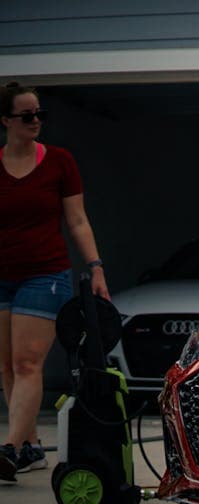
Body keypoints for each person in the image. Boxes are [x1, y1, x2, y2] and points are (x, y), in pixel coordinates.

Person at [0, 81, 108, 482]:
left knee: (28, 363)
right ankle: (28, 449)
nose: (35, 121)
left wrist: (95, 266)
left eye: (39, 114)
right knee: (7, 367)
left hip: (44, 274)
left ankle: (8, 449)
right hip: (2, 278)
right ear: (5, 120)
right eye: (26, 115)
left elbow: (77, 220)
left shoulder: (60, 162)